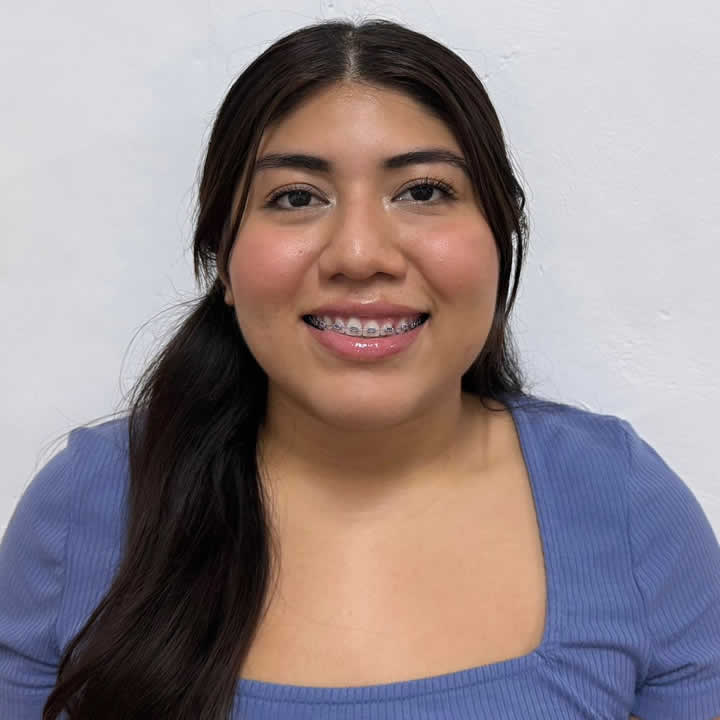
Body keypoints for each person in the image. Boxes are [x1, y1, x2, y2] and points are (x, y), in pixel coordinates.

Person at [1, 17, 719, 720]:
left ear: (500, 237)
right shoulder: (82, 507)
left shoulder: (623, 502)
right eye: (296, 197)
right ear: (223, 260)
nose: (359, 253)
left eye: (424, 191)